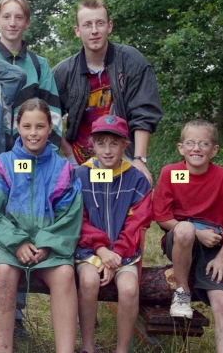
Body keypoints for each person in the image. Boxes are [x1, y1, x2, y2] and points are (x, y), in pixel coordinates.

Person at [0, 99, 83, 353]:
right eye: (27, 126)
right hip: (8, 244)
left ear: (51, 128)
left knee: (64, 274)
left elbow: (70, 215)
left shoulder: (63, 168)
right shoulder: (2, 163)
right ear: (18, 127)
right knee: (4, 272)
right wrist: (17, 242)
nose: (33, 133)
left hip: (48, 244)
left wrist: (46, 244)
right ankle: (3, 348)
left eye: (40, 126)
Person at [153, 120, 223, 353]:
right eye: (190, 143)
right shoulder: (173, 173)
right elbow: (162, 216)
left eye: (204, 143)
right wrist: (196, 232)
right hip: (180, 238)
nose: (196, 148)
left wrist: (222, 258)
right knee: (185, 229)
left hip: (213, 246)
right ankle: (182, 292)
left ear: (214, 150)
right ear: (180, 148)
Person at [52, 0, 162, 184]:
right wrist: (70, 156)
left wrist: (139, 160)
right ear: (77, 31)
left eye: (100, 23)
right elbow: (49, 116)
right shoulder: (63, 72)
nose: (94, 30)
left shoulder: (132, 61)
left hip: (124, 159)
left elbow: (144, 112)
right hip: (81, 163)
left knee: (136, 197)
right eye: (87, 25)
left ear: (109, 27)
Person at [74, 115, 152, 353]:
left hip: (124, 252)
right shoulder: (80, 175)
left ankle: (122, 349)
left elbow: (137, 223)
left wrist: (115, 254)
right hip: (90, 249)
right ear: (92, 145)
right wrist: (101, 249)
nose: (107, 151)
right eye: (101, 144)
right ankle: (88, 346)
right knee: (88, 281)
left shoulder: (137, 179)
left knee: (128, 288)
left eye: (114, 144)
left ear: (125, 145)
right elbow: (77, 219)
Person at [0, 0, 62, 150]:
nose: (12, 23)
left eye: (19, 18)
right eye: (6, 17)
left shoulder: (39, 65)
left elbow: (53, 114)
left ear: (27, 23)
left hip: (29, 155)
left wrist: (49, 154)